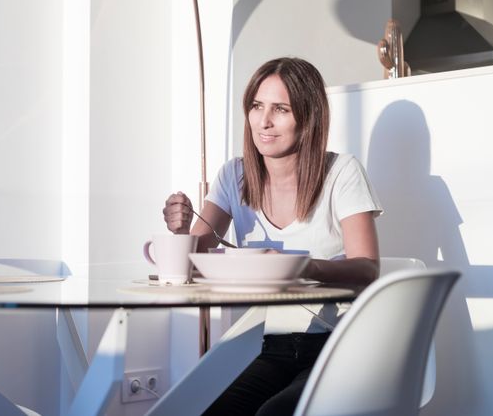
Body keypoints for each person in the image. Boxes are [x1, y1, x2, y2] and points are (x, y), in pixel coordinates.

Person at [162, 57, 382, 415]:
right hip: (276, 347)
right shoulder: (234, 176)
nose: (263, 121)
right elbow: (195, 259)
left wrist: (297, 268)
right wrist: (181, 230)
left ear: (308, 118)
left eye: (280, 109)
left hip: (343, 345)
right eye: (256, 106)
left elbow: (368, 269)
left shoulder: (342, 172)